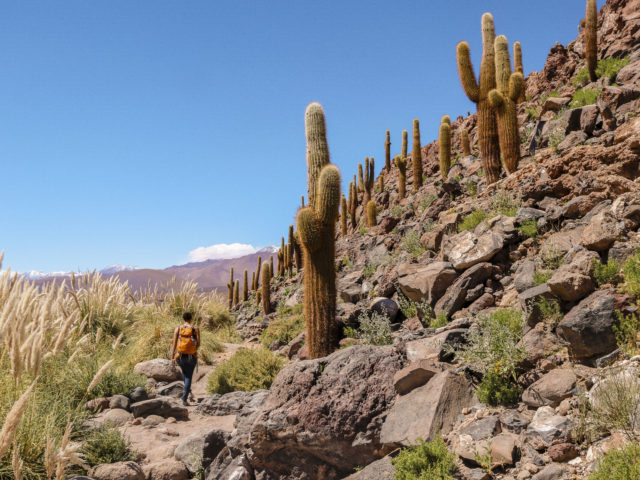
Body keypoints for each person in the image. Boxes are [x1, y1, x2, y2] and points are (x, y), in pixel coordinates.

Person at [171, 312, 200, 406]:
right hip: (191, 357)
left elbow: (174, 344)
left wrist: (172, 357)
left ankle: (188, 391)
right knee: (188, 377)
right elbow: (198, 343)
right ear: (191, 318)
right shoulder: (195, 329)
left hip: (180, 356)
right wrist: (193, 349)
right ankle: (184, 398)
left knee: (184, 373)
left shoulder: (178, 329)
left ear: (183, 319)